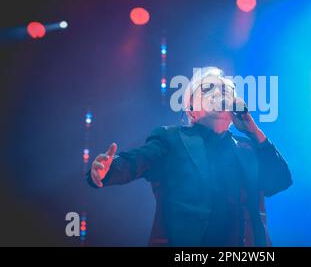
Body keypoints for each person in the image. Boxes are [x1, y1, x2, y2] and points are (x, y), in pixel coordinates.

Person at [87, 66, 292, 246]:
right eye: (208, 88)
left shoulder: (248, 148)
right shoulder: (171, 139)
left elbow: (280, 181)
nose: (218, 94)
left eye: (225, 90)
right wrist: (108, 169)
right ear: (191, 108)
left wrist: (254, 131)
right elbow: (137, 161)